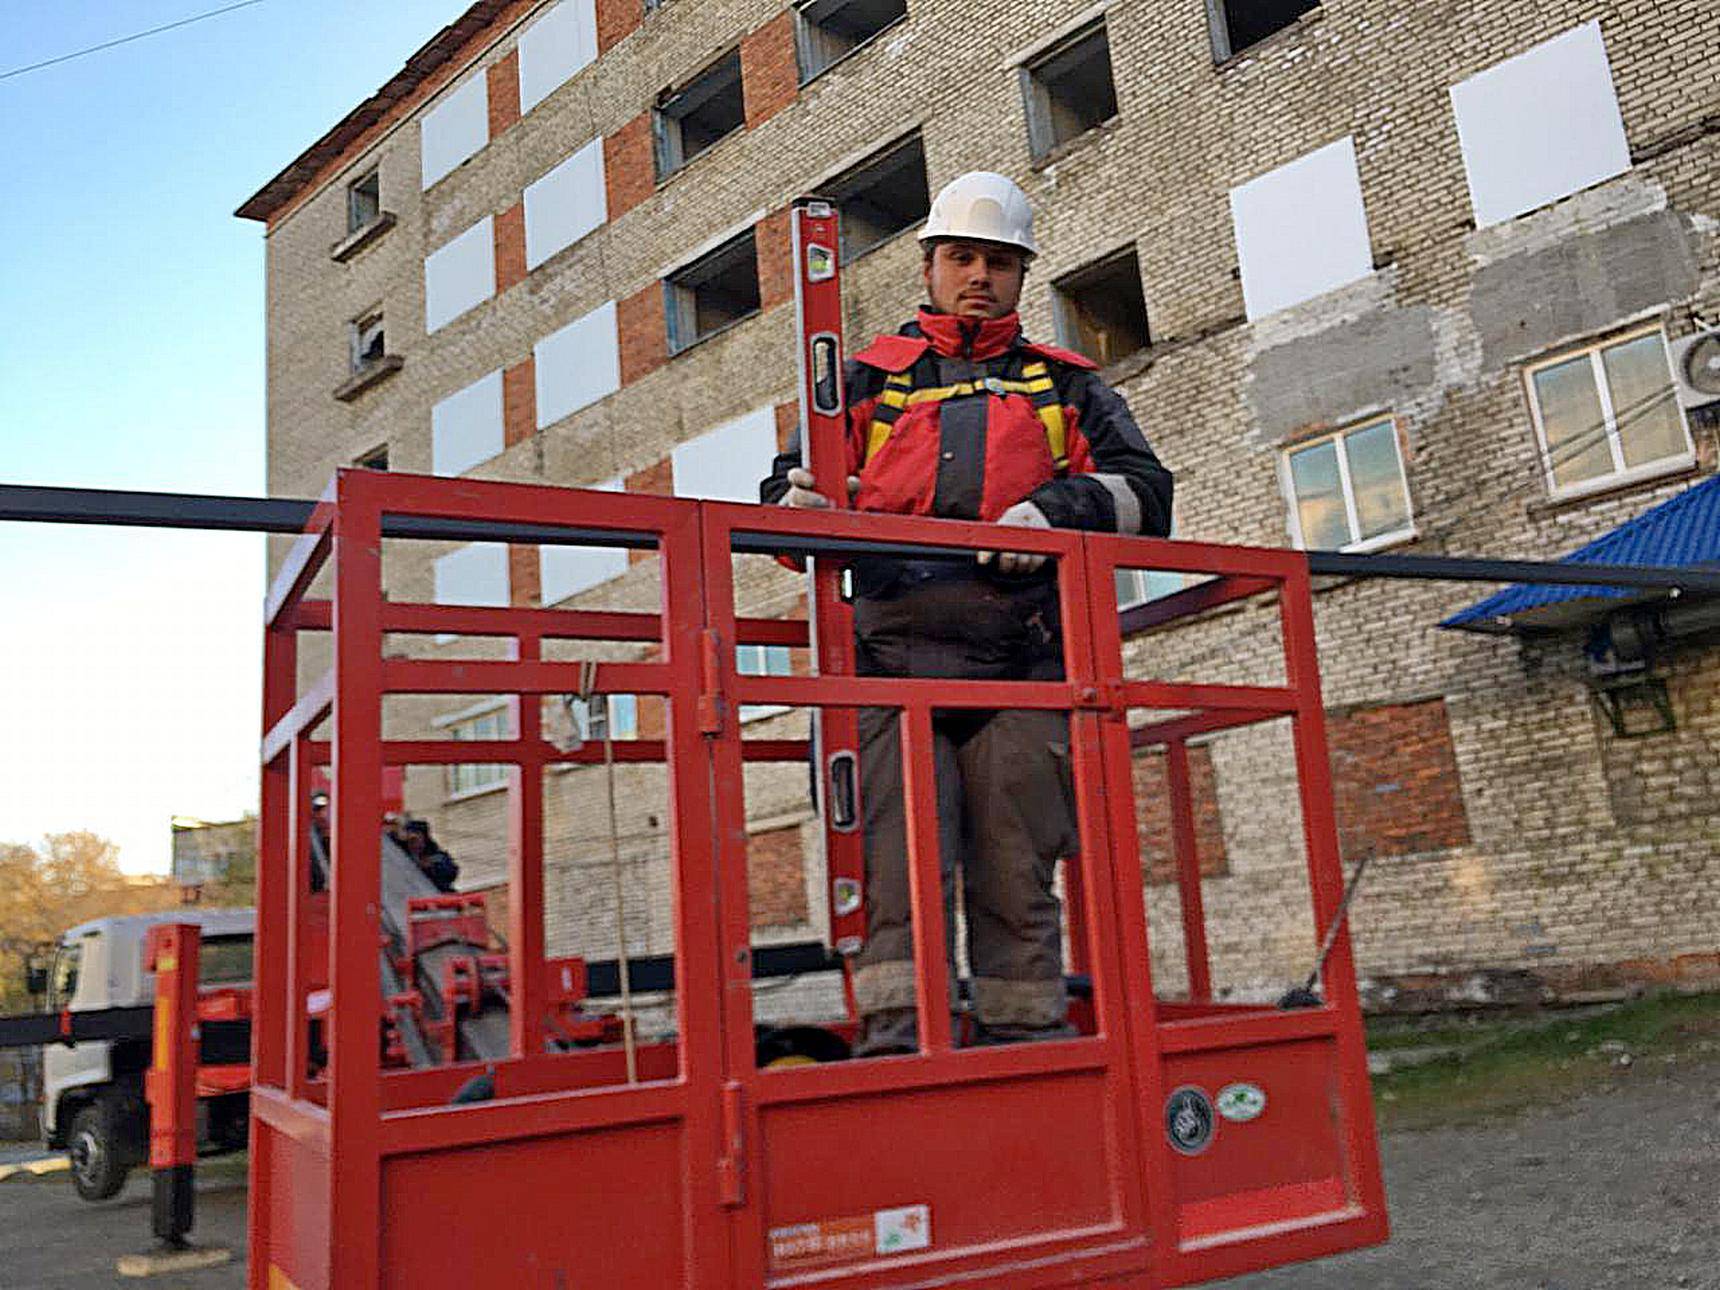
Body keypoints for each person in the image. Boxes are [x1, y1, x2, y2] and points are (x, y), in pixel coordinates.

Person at [760, 172, 1173, 1054]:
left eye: (999, 261)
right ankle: (897, 1049)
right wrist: (793, 511)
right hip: (882, 661)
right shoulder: (860, 378)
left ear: (1023, 274)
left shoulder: (1069, 388)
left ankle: (1026, 1044)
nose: (978, 275)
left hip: (1020, 665)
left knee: (1016, 874)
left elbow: (1150, 493)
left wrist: (1054, 516)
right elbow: (786, 504)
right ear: (930, 265)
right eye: (961, 258)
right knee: (892, 871)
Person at [390, 816, 460, 893]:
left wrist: (431, 867)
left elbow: (451, 872)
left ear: (424, 837)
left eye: (417, 836)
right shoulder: (401, 854)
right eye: (410, 839)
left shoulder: (437, 856)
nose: (413, 841)